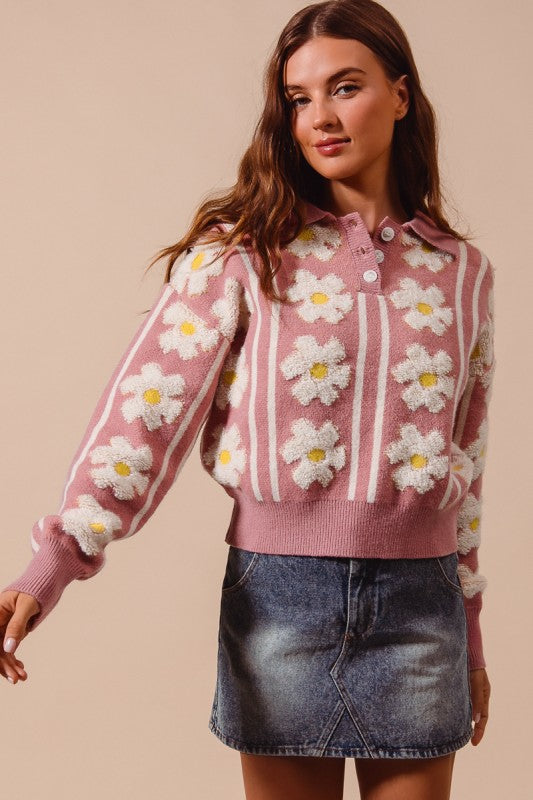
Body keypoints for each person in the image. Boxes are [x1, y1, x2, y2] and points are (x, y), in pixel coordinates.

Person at [0, 1, 495, 798]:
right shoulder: (242, 253)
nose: (320, 116)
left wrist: (468, 633)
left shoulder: (460, 273)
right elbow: (146, 414)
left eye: (345, 87)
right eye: (299, 98)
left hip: (421, 607)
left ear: (400, 95)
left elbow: (465, 463)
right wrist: (51, 564)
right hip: (279, 602)